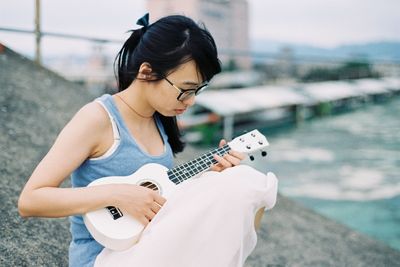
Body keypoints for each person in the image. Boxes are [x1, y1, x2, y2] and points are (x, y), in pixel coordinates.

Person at [18, 14, 278, 267]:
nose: (191, 101)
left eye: (197, 90)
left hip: (151, 245)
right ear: (146, 72)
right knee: (244, 183)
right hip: (104, 258)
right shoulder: (98, 118)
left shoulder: (159, 118)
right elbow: (30, 201)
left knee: (236, 181)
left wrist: (209, 175)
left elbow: (160, 195)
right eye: (185, 90)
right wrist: (116, 195)